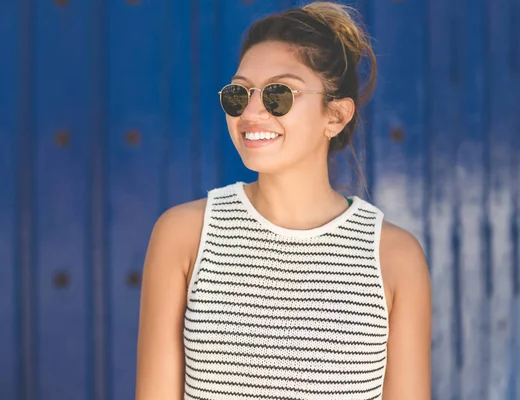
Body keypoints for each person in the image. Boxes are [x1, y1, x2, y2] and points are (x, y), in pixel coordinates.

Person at [135, 2, 432, 399]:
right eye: (238, 94)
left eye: (279, 94)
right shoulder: (185, 235)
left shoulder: (394, 257)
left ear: (336, 116)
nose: (252, 112)